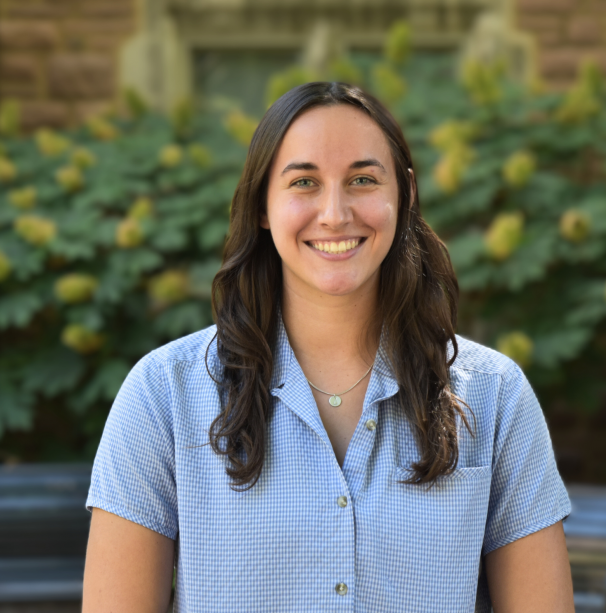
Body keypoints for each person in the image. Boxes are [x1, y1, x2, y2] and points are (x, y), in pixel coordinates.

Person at [82, 82, 574, 613]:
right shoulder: (163, 396)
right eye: (304, 183)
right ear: (263, 205)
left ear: (404, 194)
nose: (336, 213)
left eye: (363, 180)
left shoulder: (496, 397)